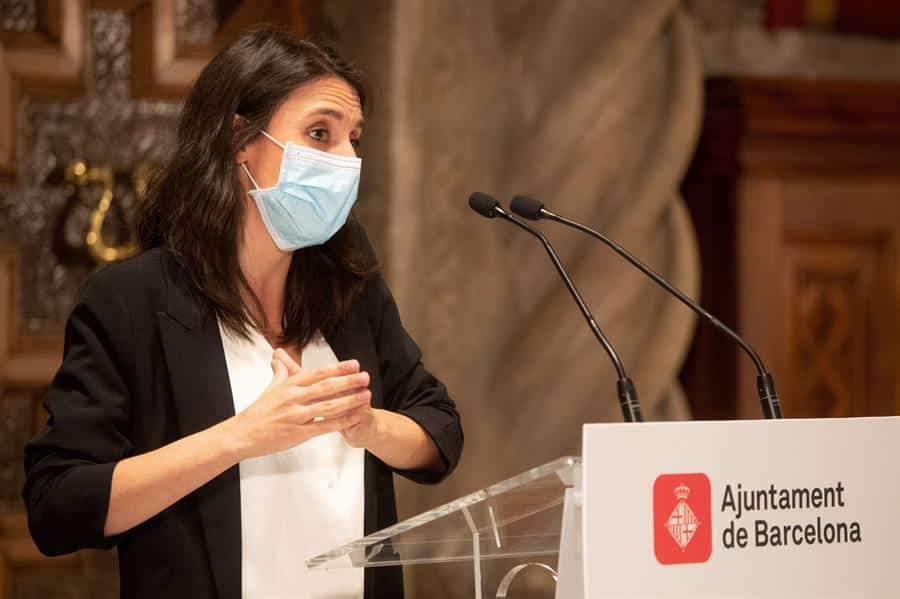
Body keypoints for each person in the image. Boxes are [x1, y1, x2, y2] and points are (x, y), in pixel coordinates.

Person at [22, 24, 463, 599]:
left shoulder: (350, 286)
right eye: (320, 133)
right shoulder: (133, 301)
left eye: (354, 137)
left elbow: (440, 432)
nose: (347, 159)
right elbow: (58, 505)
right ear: (239, 141)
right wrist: (240, 437)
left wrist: (367, 425)